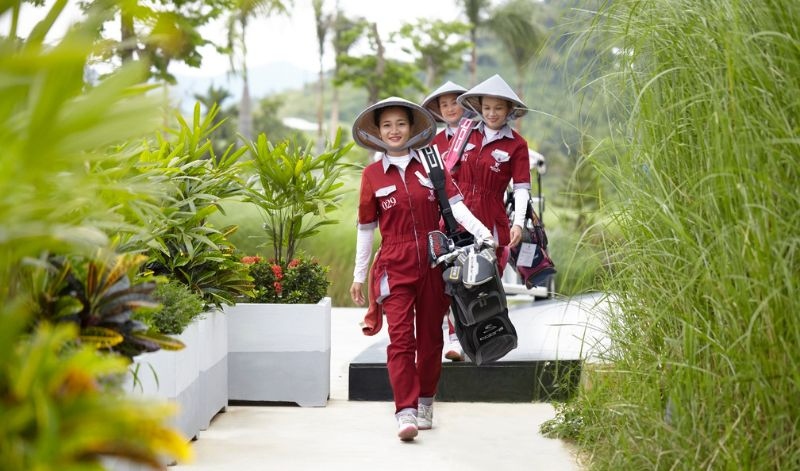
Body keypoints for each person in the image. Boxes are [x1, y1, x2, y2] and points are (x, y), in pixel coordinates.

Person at [349, 97, 493, 442]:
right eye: (387, 125)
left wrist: (483, 233)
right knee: (401, 340)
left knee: (430, 339)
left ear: (412, 128)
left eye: (400, 123)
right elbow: (366, 228)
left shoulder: (432, 163)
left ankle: (426, 401)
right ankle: (405, 411)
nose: (394, 131)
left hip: (434, 260)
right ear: (378, 132)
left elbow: (455, 207)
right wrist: (358, 275)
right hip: (394, 265)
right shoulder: (371, 175)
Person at [454, 74, 532, 276]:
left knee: (486, 276)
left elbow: (521, 188)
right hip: (457, 214)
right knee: (450, 277)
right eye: (486, 107)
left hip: (491, 216)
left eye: (498, 108)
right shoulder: (465, 132)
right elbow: (449, 173)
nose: (491, 113)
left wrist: (518, 223)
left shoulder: (518, 144)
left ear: (509, 109)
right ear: (480, 108)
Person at [421, 80, 475, 362]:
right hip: (445, 220)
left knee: (474, 280)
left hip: (474, 215)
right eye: (444, 104)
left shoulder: (478, 135)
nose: (450, 108)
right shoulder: (433, 144)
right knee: (449, 281)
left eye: (454, 102)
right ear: (438, 111)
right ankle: (454, 337)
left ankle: (475, 336)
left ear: (465, 105)